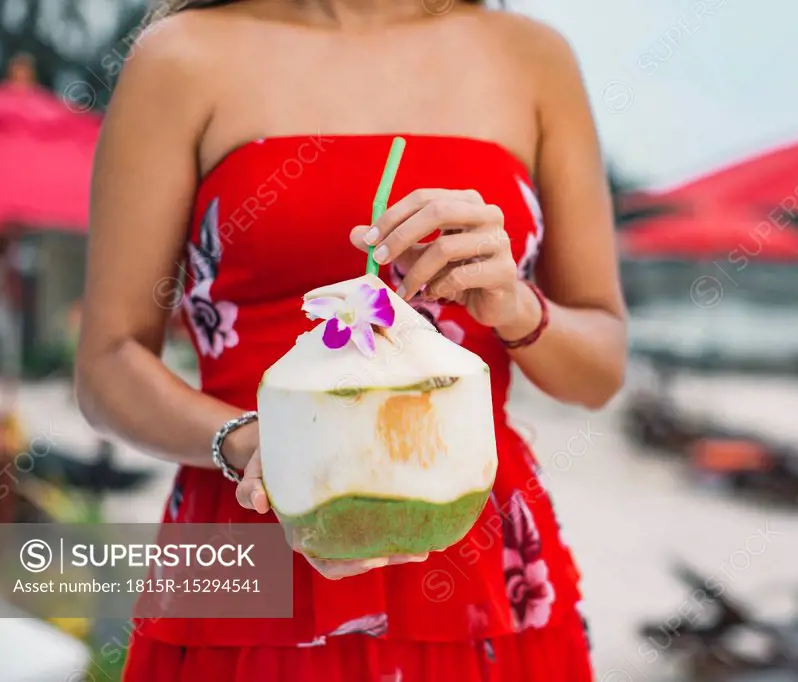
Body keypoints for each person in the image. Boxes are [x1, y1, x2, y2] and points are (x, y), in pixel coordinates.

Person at [75, 0, 627, 680]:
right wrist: (254, 444)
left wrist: (515, 305)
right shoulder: (179, 57)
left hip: (474, 553)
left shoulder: (533, 58)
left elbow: (600, 369)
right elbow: (108, 363)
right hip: (248, 522)